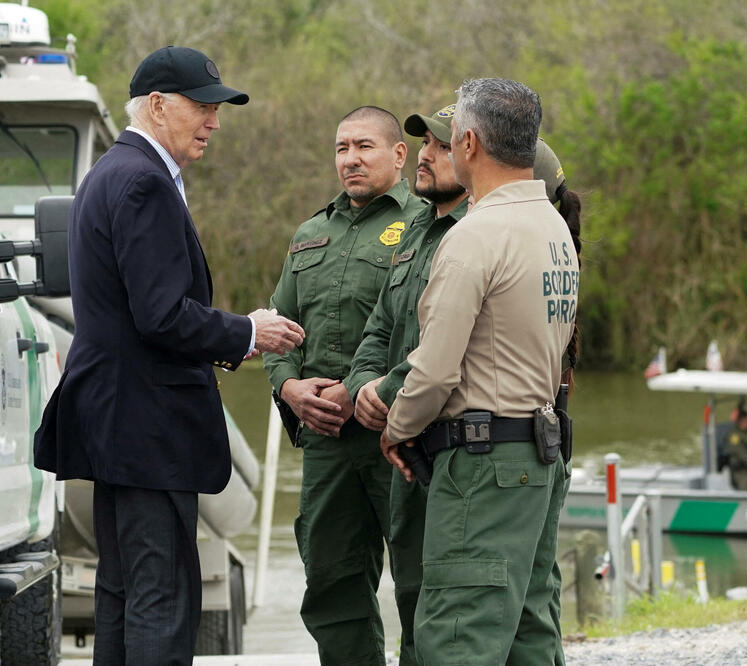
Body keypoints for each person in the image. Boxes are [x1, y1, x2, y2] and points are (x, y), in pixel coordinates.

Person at [33, 46, 305, 663]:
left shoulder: (109, 172)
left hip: (114, 426)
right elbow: (160, 316)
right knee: (163, 599)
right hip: (147, 429)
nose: (214, 121)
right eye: (203, 107)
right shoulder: (143, 183)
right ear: (158, 106)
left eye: (218, 109)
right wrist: (246, 331)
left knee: (123, 594)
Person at [345, 97, 581, 663]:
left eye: (447, 141)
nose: (440, 150)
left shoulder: (476, 235)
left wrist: (396, 427)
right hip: (537, 454)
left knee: (458, 636)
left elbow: (435, 368)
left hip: (481, 466)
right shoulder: (552, 229)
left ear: (470, 144)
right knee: (528, 632)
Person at [263, 106, 423, 664]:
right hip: (326, 444)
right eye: (340, 149)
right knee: (331, 585)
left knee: (420, 583)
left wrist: (366, 391)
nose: (349, 160)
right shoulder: (310, 233)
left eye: (364, 147)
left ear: (399, 155)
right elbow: (278, 330)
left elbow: (436, 332)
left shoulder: (428, 224)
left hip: (398, 438)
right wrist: (289, 389)